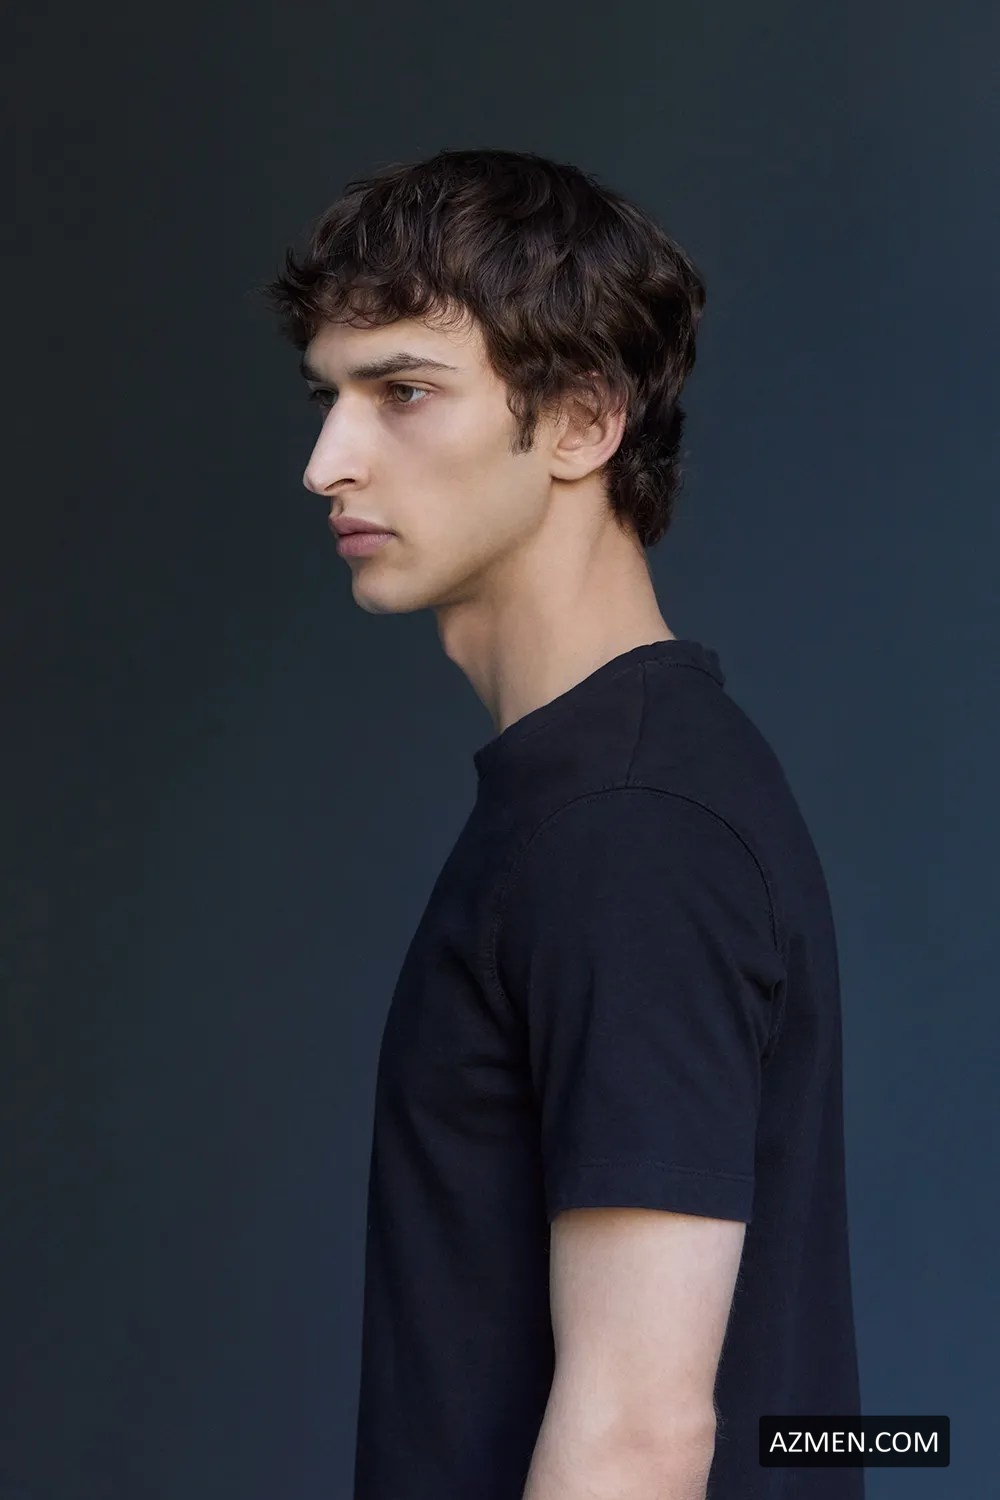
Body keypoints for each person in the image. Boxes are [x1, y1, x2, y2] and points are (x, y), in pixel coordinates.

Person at [259, 147, 864, 1499]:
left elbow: (639, 1441)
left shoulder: (631, 834)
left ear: (585, 421)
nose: (326, 464)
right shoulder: (595, 799)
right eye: (327, 397)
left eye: (403, 392)